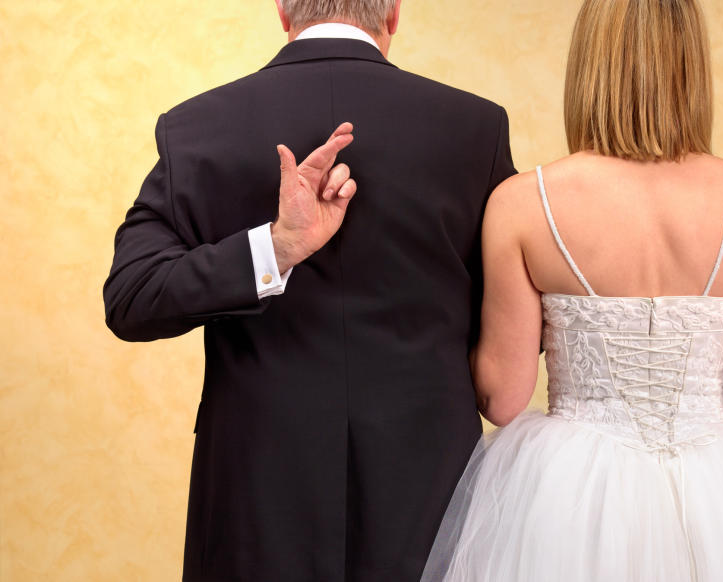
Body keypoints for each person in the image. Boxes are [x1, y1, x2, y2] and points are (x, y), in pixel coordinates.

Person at [420, 0, 723, 580]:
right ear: (691, 67)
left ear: (586, 68)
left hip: (566, 497)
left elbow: (503, 398)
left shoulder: (525, 203)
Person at [103, 0, 515, 579]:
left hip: (255, 495)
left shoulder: (196, 126)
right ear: (393, 11)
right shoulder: (475, 129)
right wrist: (283, 244)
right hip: (431, 490)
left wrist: (270, 251)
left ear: (282, 9)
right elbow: (518, 310)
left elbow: (131, 297)